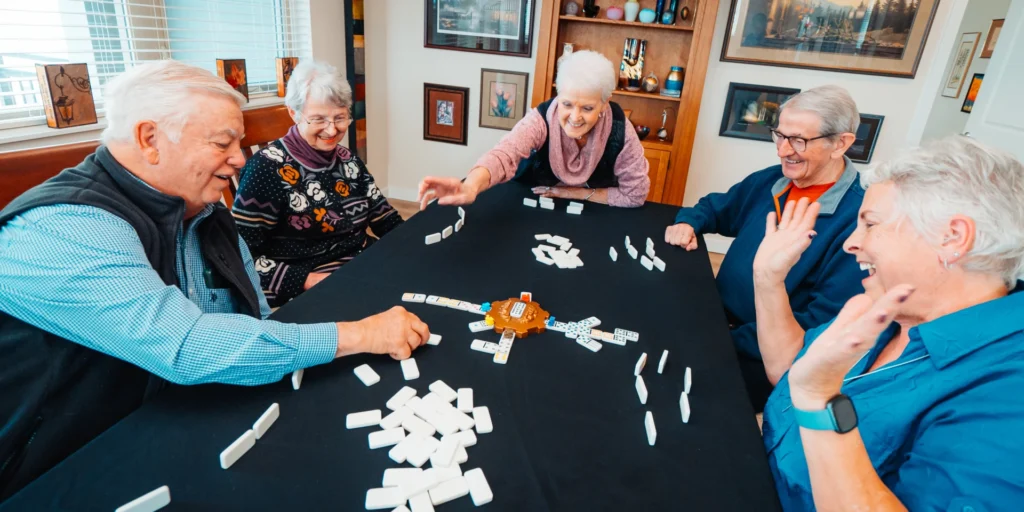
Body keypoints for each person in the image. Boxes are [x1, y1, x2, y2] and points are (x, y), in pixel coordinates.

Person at [0, 60, 428, 500]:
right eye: (224, 143)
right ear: (150, 140)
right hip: (61, 464)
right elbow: (187, 346)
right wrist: (360, 334)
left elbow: (255, 317)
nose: (241, 159)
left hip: (176, 415)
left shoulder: (203, 210)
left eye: (239, 142)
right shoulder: (63, 227)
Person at [760, 136, 1024, 510]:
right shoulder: (890, 306)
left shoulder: (1010, 387)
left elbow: (810, 389)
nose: (851, 243)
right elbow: (792, 374)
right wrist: (767, 280)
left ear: (953, 238)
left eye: (870, 224)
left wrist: (821, 403)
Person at [665, 85, 867, 410]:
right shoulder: (773, 180)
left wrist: (716, 339)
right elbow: (717, 208)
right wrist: (690, 222)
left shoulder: (858, 225)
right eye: (779, 136)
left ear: (840, 143)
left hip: (754, 356)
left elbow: (817, 328)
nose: (783, 151)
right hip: (712, 319)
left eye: (799, 140)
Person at [232, 60, 402, 307]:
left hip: (361, 266)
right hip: (305, 284)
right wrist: (308, 280)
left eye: (340, 118)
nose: (332, 130)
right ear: (294, 113)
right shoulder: (265, 169)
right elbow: (240, 254)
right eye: (319, 119)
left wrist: (417, 239)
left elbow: (384, 218)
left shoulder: (349, 161)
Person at [417, 50, 650, 210]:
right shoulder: (540, 120)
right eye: (567, 104)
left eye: (587, 108)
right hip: (531, 207)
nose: (575, 117)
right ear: (558, 92)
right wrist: (471, 185)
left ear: (605, 102)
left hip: (594, 215)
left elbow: (635, 194)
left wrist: (574, 192)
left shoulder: (621, 130)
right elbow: (504, 154)